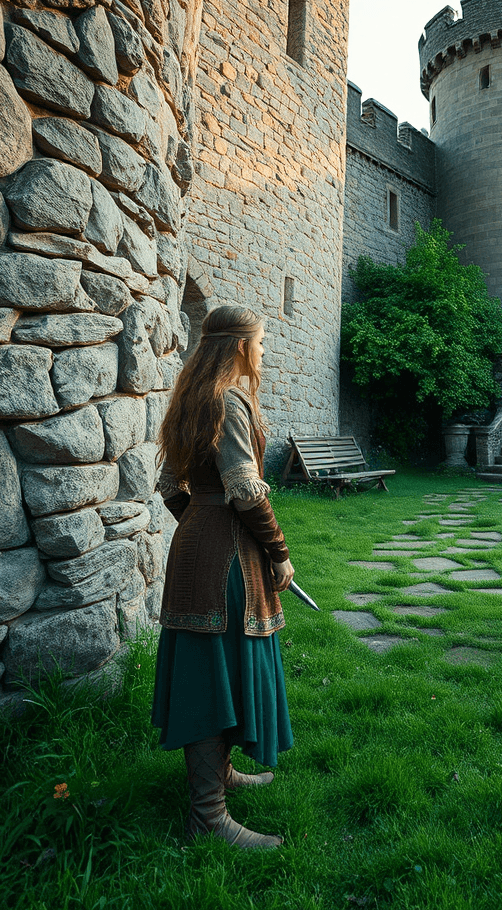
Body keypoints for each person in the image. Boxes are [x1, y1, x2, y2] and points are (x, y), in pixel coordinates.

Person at [152, 305, 295, 848]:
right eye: (259, 345)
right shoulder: (229, 399)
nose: (262, 354)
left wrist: (196, 527)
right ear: (239, 346)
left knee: (214, 666)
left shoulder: (190, 398)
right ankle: (208, 817)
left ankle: (221, 776)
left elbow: (170, 486)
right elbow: (245, 487)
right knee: (216, 671)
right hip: (227, 557)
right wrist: (278, 552)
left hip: (194, 545)